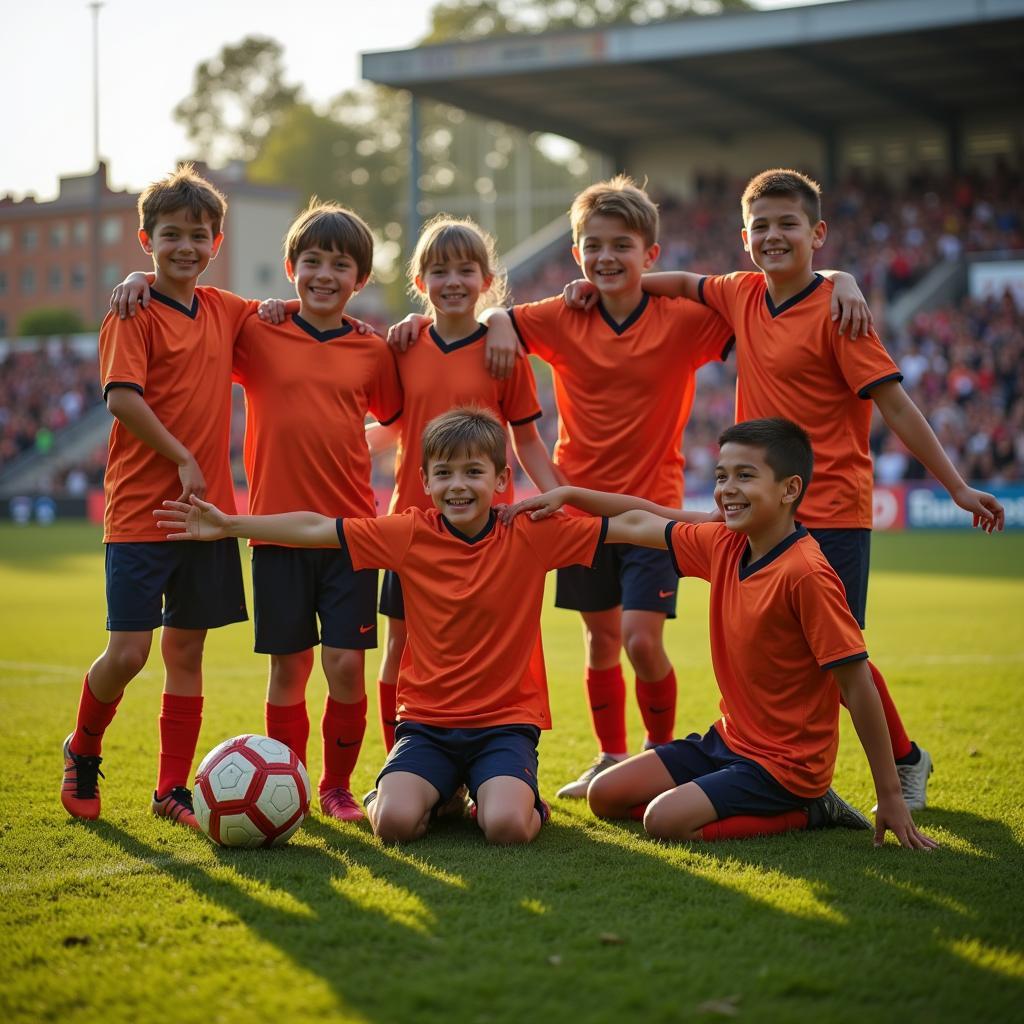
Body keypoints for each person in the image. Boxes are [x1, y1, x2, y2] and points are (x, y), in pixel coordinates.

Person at [565, 168, 1005, 810]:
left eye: (787, 224)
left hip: (831, 511)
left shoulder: (839, 309)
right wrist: (604, 286)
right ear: (745, 238)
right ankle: (768, 764)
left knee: (836, 651)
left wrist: (959, 488)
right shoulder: (741, 293)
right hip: (758, 510)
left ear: (817, 233)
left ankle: (902, 762)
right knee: (776, 649)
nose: (773, 236)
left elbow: (899, 408)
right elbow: (684, 282)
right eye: (761, 227)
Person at [153, 408, 698, 844]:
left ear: (502, 479)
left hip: (505, 725)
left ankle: (509, 797)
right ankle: (435, 792)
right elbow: (319, 527)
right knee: (393, 827)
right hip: (428, 726)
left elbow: (630, 523)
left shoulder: (530, 534)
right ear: (424, 481)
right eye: (443, 474)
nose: (457, 486)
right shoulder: (410, 533)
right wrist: (230, 523)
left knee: (507, 828)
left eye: (473, 472)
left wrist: (709, 519)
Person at [505, 418, 938, 850]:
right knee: (605, 795)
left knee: (663, 821)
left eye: (744, 476)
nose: (727, 489)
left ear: (789, 490)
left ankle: (812, 808)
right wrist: (568, 496)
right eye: (721, 476)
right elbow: (640, 520)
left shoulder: (807, 574)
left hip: (787, 766)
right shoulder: (726, 544)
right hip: (729, 740)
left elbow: (857, 684)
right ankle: (718, 795)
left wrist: (890, 796)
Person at [113, 200, 404, 823]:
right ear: (290, 266)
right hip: (273, 531)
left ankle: (336, 786)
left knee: (346, 666)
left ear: (362, 278)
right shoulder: (260, 330)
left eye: (341, 265)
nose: (325, 275)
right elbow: (195, 315)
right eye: (312, 261)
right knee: (290, 667)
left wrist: (360, 443)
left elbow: (397, 422)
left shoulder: (373, 351)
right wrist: (140, 279)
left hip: (350, 532)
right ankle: (292, 786)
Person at [60, 164, 253, 827]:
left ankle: (172, 789)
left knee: (187, 652)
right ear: (147, 239)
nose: (186, 248)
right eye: (171, 235)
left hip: (205, 520)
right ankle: (83, 747)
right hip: (142, 512)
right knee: (130, 653)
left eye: (199, 236)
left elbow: (284, 320)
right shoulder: (133, 309)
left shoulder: (226, 309)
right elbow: (121, 400)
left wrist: (288, 306)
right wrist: (182, 457)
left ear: (216, 243)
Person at [363, 215, 561, 755]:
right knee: (399, 647)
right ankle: (398, 763)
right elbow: (392, 427)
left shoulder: (504, 351)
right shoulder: (401, 346)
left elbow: (528, 441)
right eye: (439, 270)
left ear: (487, 279)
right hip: (415, 522)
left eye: (466, 270)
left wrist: (559, 497)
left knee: (490, 647)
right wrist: (338, 447)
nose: (453, 281)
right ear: (420, 281)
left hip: (492, 527)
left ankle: (490, 753)